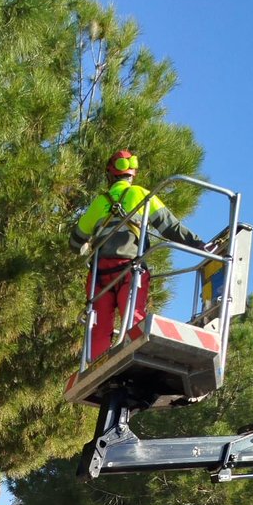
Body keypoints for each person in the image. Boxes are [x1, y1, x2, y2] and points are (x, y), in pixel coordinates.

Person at [70, 150, 207, 361]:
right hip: (130, 269)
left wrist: (84, 244)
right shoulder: (141, 195)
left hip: (100, 274)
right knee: (133, 319)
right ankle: (134, 359)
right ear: (133, 174)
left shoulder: (98, 203)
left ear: (110, 175)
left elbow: (75, 240)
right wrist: (199, 244)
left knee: (99, 327)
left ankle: (96, 367)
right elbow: (170, 227)